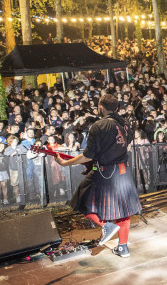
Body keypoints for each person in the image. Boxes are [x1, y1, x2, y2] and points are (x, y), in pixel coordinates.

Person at [55, 93, 141, 257]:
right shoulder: (126, 125)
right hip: (123, 172)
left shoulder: (98, 126)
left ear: (101, 107)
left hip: (105, 173)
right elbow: (125, 146)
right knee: (123, 212)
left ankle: (105, 226)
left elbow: (88, 155)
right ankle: (122, 248)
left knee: (82, 199)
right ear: (116, 108)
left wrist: (65, 163)